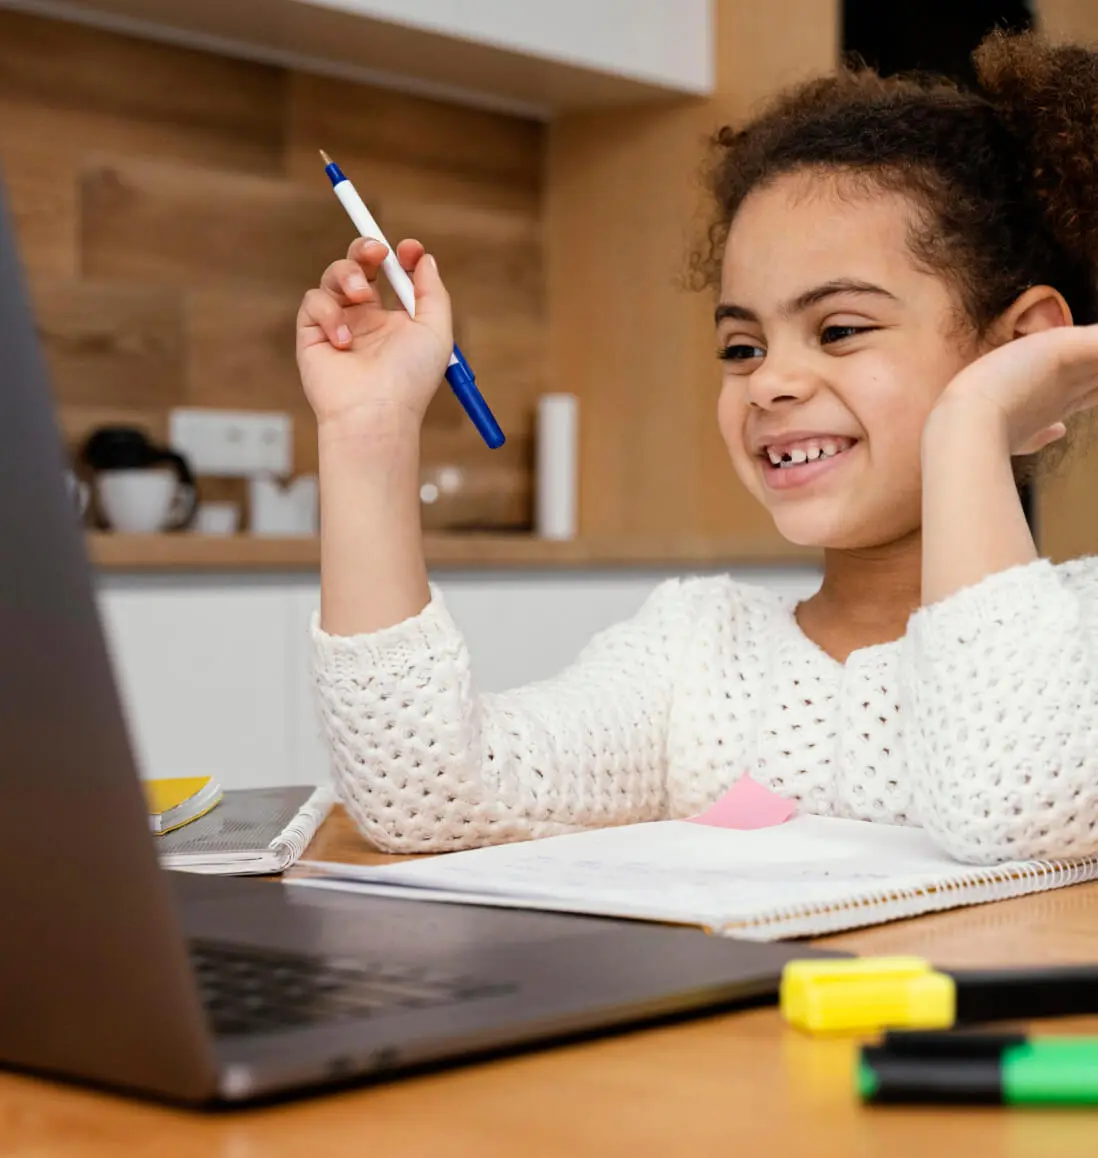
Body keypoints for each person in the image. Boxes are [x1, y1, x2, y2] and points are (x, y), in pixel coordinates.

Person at [297, 31, 1098, 866]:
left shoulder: (1082, 634)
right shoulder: (696, 653)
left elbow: (1016, 816)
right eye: (742, 347)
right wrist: (368, 434)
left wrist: (974, 416)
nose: (769, 383)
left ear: (1021, 348)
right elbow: (426, 799)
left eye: (840, 329)